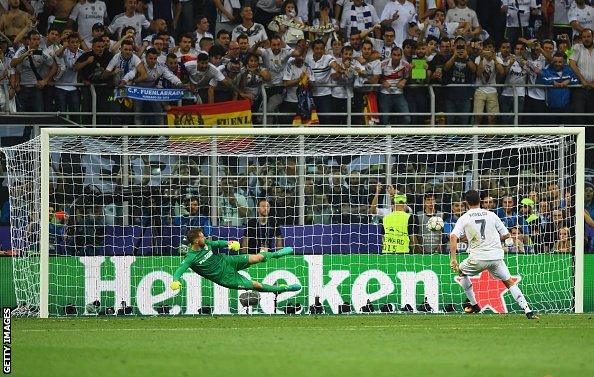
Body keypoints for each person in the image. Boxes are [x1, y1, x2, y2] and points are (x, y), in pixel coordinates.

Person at [449, 189, 539, 319]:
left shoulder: (464, 218)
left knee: (462, 272)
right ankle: (527, 310)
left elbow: (453, 236)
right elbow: (507, 235)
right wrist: (493, 239)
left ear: (466, 203)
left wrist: (453, 258)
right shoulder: (491, 215)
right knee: (509, 282)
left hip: (478, 258)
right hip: (496, 257)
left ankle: (474, 304)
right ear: (480, 200)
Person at [170, 228, 300, 293]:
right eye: (202, 237)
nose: (205, 238)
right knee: (256, 285)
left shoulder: (206, 243)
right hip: (225, 277)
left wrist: (229, 243)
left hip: (228, 261)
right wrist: (175, 280)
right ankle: (283, 289)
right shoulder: (191, 258)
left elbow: (217, 243)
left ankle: (276, 254)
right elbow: (180, 270)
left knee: (259, 257)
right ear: (197, 241)